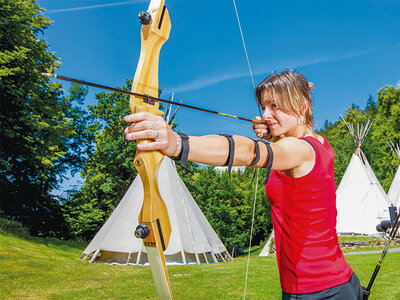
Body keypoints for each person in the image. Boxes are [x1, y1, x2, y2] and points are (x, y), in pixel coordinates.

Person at [124, 70, 363, 299]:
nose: (266, 115)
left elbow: (249, 152)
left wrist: (176, 143)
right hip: (339, 281)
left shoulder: (301, 150)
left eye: (275, 106)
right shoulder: (319, 144)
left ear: (301, 106)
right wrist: (276, 134)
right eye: (265, 107)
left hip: (316, 291)